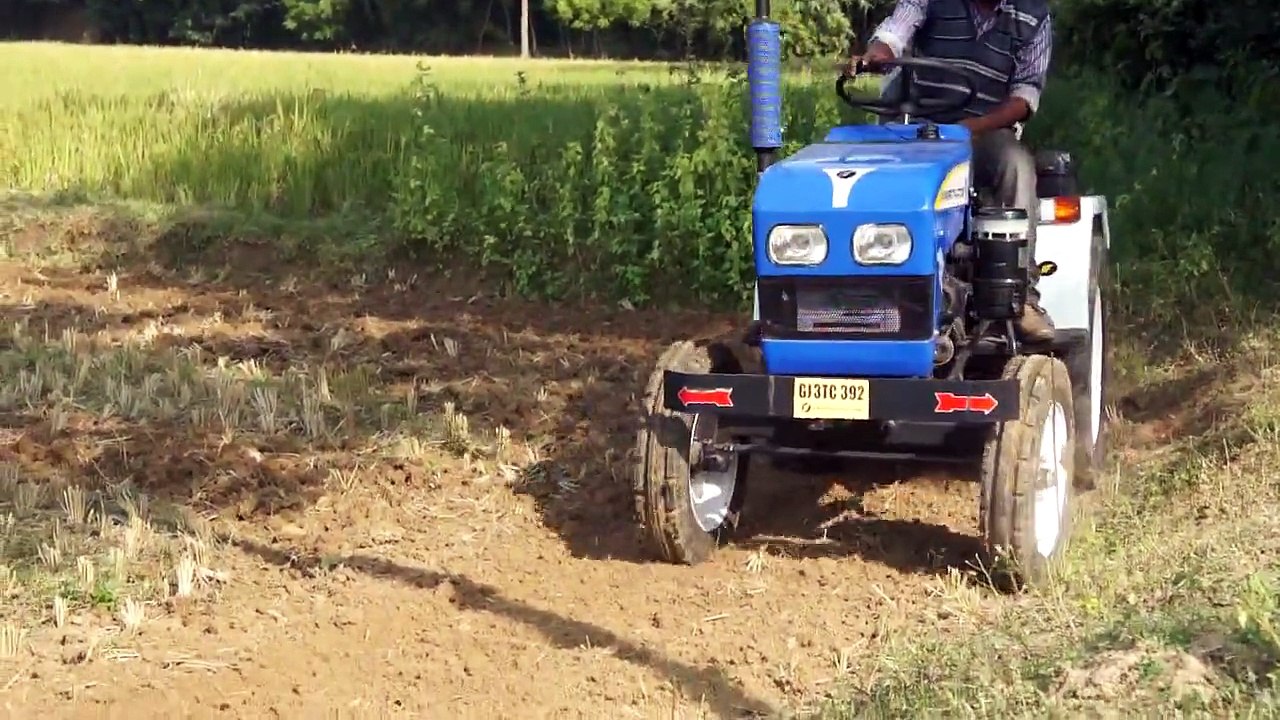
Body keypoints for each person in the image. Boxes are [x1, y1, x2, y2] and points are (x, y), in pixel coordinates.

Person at [850, 0, 1056, 343]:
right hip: (919, 127)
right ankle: (858, 289)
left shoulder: (1033, 15)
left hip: (985, 131)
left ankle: (1021, 298)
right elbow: (896, 29)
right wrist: (878, 53)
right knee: (859, 168)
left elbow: (1024, 96)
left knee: (1015, 165)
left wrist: (970, 127)